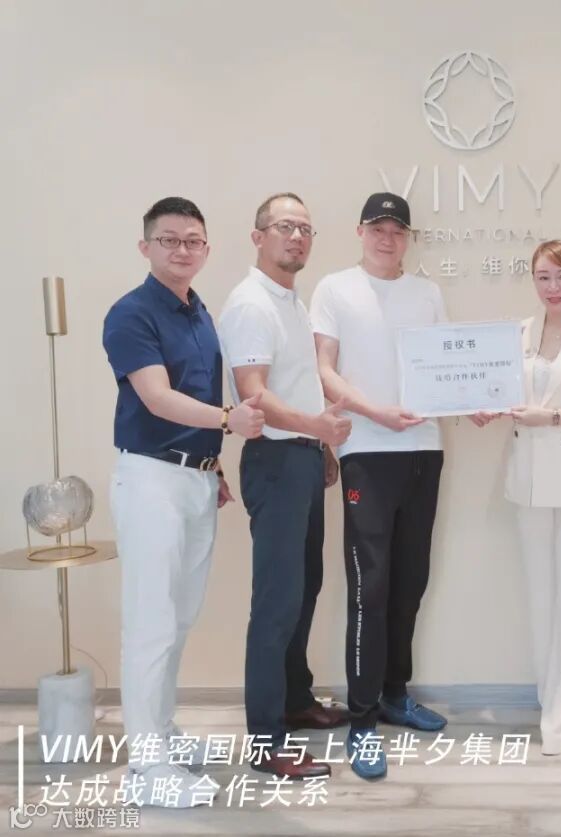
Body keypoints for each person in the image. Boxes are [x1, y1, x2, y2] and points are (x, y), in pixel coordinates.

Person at [103, 197, 264, 807]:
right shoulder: (131, 313)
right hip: (151, 481)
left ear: (206, 249)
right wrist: (228, 420)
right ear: (145, 247)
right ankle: (147, 767)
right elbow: (157, 397)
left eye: (193, 240)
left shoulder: (200, 313)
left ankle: (163, 735)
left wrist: (213, 463)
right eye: (169, 240)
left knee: (178, 619)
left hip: (195, 480)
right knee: (150, 623)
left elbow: (195, 390)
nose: (182, 250)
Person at [310, 193, 448, 781]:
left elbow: (443, 369)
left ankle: (395, 695)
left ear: (408, 237)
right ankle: (362, 720)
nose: (387, 237)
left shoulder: (427, 293)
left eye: (397, 229)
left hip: (424, 450)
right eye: (377, 228)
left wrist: (473, 402)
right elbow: (323, 369)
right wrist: (376, 413)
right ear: (360, 232)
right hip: (366, 452)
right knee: (371, 587)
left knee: (411, 582)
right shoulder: (335, 289)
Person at [218, 193, 353, 780]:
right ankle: (267, 740)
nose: (297, 237)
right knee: (276, 602)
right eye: (284, 227)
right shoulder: (251, 304)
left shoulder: (291, 301)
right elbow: (254, 394)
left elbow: (299, 385)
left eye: (304, 228)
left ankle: (296, 700)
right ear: (258, 236)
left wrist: (321, 446)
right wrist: (316, 429)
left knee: (304, 588)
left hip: (301, 457)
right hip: (274, 461)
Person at [471, 240, 561, 755]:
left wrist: (550, 417)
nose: (553, 287)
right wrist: (485, 408)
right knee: (541, 600)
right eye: (543, 277)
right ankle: (550, 703)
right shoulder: (517, 333)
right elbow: (499, 392)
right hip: (529, 479)